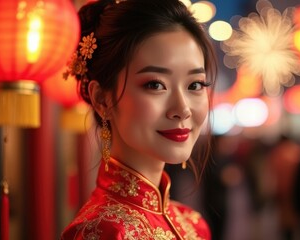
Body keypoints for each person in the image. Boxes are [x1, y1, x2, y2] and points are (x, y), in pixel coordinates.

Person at [60, 0, 217, 239]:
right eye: (155, 85)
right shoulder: (103, 231)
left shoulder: (193, 223)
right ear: (103, 100)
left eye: (195, 85)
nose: (182, 109)